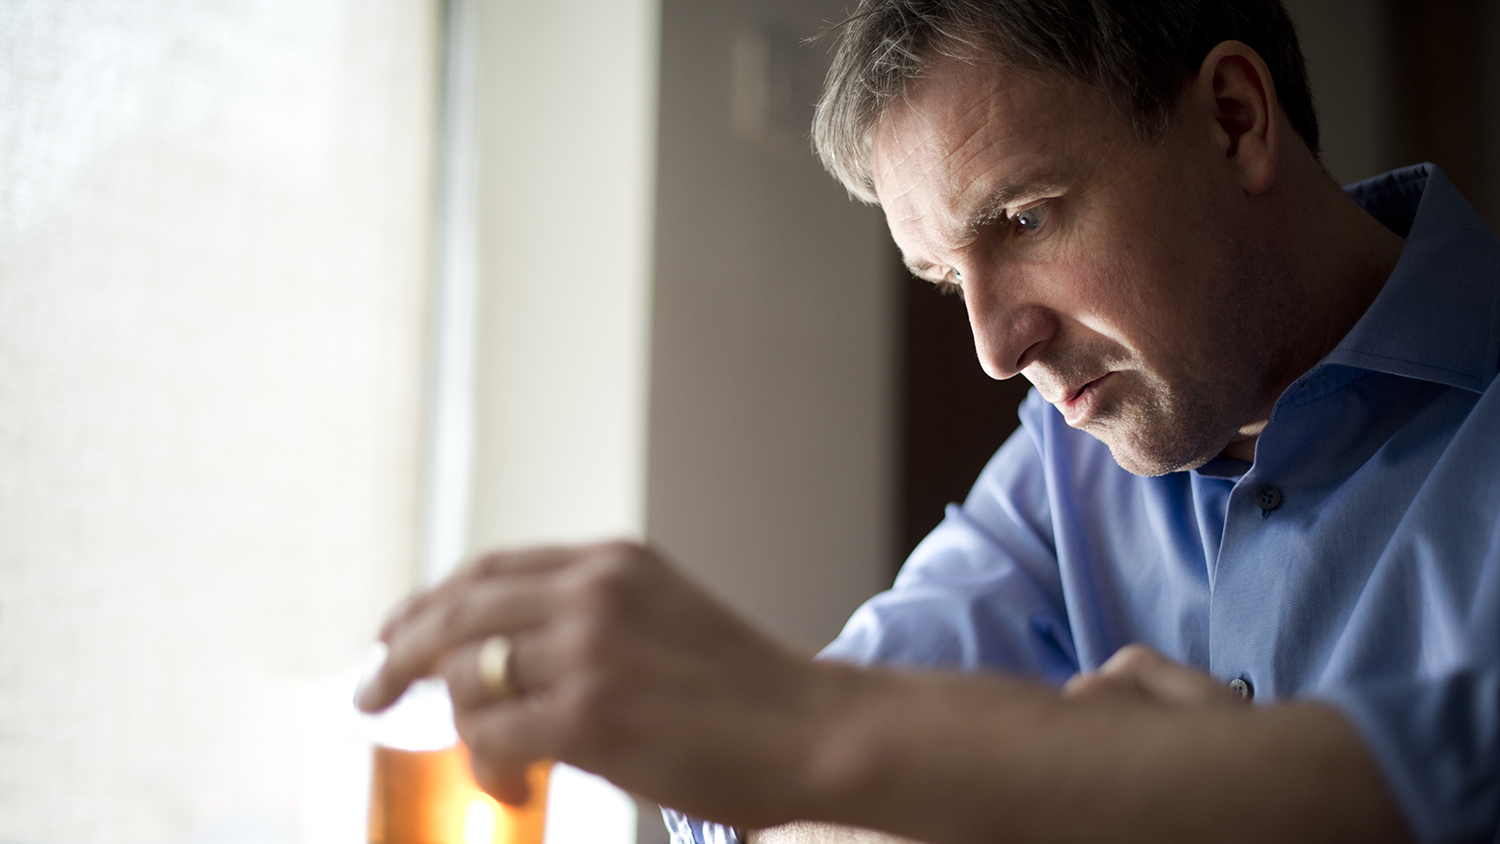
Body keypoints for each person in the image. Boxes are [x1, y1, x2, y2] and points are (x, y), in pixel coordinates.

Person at [356, 0, 1500, 841]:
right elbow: (793, 798)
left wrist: (830, 736)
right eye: (947, 278)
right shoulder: (1069, 464)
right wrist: (788, 747)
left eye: (1025, 217)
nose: (998, 346)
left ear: (1234, 119)